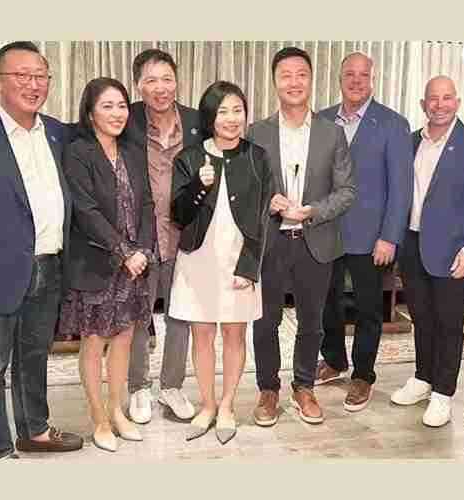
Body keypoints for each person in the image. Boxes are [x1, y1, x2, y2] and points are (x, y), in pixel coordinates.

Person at [0, 41, 83, 459]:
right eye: (22, 75)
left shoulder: (58, 133)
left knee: (34, 357)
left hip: (49, 266)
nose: (33, 84)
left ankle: (34, 430)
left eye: (40, 76)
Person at [249, 46, 356, 427]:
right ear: (274, 82)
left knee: (313, 322)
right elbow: (246, 189)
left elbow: (347, 191)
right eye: (286, 75)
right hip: (271, 241)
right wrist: (268, 200)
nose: (294, 82)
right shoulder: (257, 132)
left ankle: (304, 386)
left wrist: (311, 211)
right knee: (265, 321)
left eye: (301, 75)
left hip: (316, 240)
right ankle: (268, 389)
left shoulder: (332, 133)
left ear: (311, 80)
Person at [389, 76, 464, 427]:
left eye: (447, 97)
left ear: (457, 102)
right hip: (413, 244)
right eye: (433, 99)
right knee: (421, 318)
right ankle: (423, 378)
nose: (440, 105)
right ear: (423, 104)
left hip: (454, 250)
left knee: (449, 324)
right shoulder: (410, 142)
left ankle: (443, 393)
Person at [169, 81, 271, 444]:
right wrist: (199, 185)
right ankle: (208, 404)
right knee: (202, 334)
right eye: (223, 111)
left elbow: (262, 217)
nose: (231, 118)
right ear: (210, 117)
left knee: (233, 333)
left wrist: (249, 266)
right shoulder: (189, 157)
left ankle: (227, 405)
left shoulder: (258, 157)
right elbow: (179, 215)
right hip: (198, 258)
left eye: (237, 110)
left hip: (238, 259)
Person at [58, 77, 155, 452]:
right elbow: (85, 210)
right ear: (90, 112)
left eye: (122, 105)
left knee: (125, 338)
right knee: (94, 341)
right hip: (97, 262)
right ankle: (98, 418)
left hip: (134, 265)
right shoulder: (78, 152)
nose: (117, 113)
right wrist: (123, 251)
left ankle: (117, 410)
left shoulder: (132, 150)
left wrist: (142, 250)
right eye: (107, 106)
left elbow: (146, 204)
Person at [316, 52, 413, 412]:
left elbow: (401, 187)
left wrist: (390, 236)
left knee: (368, 308)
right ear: (339, 78)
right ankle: (334, 360)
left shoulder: (393, 124)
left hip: (372, 237)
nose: (356, 81)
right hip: (325, 231)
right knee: (326, 302)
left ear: (373, 79)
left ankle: (363, 375)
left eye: (363, 75)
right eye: (349, 74)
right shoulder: (321, 119)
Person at [123, 49, 202, 423]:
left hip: (185, 235)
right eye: (151, 80)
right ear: (138, 85)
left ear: (177, 81)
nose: (160, 88)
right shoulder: (126, 120)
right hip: (141, 236)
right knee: (138, 315)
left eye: (167, 79)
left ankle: (172, 386)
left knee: (181, 314)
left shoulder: (196, 121)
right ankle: (138, 386)